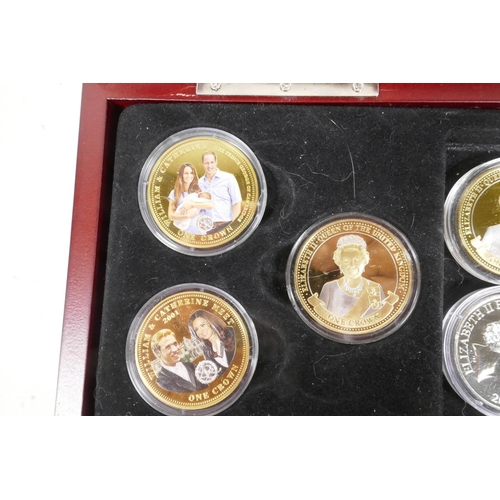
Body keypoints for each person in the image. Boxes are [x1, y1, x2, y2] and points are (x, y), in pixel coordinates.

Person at [318, 235, 385, 319]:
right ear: (339, 263)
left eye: (357, 260)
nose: (352, 265)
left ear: (364, 262)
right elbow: (321, 319)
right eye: (346, 261)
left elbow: (382, 318)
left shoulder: (375, 288)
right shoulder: (329, 288)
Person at [198, 151, 242, 233]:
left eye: (212, 162)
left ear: (216, 162)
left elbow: (236, 202)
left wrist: (234, 226)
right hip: (207, 228)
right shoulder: (199, 183)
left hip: (226, 225)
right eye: (206, 163)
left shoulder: (228, 178)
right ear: (202, 164)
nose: (209, 166)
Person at [151, 329, 207, 393]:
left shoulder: (191, 366)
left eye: (175, 344)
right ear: (158, 353)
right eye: (168, 347)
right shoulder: (161, 382)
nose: (175, 349)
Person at [168, 162, 213, 235]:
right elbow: (171, 215)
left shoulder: (200, 190)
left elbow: (210, 205)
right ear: (181, 175)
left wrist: (191, 204)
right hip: (184, 233)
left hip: (199, 231)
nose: (189, 175)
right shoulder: (174, 193)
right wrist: (187, 216)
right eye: (186, 173)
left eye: (191, 173)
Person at [188, 310, 236, 377]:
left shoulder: (230, 332)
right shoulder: (206, 351)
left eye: (202, 325)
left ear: (210, 322)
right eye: (196, 329)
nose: (201, 331)